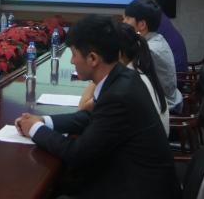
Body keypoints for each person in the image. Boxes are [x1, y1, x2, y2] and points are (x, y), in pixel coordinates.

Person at [15, 15, 179, 198]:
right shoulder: (123, 77)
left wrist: (35, 129)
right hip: (133, 178)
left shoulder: (119, 94)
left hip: (138, 189)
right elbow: (90, 117)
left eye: (74, 54)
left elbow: (78, 153)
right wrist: (44, 120)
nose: (72, 62)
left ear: (93, 58)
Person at [78, 22, 169, 136]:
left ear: (119, 55)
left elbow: (83, 108)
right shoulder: (137, 71)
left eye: (101, 51)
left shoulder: (125, 84)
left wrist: (97, 72)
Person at [124, 0, 183, 113]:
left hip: (165, 106)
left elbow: (128, 81)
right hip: (167, 99)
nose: (124, 22)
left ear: (142, 25)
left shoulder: (149, 49)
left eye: (127, 18)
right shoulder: (156, 38)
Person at [137, 0, 189, 73]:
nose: (136, 9)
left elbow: (141, 46)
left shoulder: (156, 22)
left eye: (139, 5)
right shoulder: (160, 17)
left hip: (175, 73)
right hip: (172, 70)